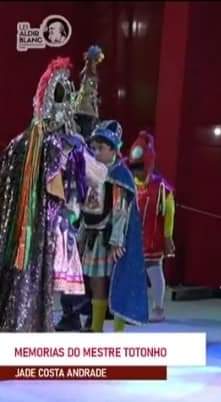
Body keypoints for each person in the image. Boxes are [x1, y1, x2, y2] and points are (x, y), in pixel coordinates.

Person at [0, 57, 104, 331]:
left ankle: (19, 321)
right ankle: (32, 323)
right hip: (45, 226)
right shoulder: (60, 144)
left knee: (21, 274)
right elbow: (87, 178)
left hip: (20, 233)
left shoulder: (18, 143)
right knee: (38, 273)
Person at [79, 120, 147, 331]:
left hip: (111, 240)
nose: (96, 152)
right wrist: (81, 234)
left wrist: (117, 240)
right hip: (94, 237)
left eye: (100, 148)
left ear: (113, 149)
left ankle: (118, 331)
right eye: (94, 148)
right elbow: (87, 206)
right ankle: (96, 328)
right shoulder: (93, 171)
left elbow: (120, 211)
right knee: (96, 283)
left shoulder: (120, 175)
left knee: (119, 284)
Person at [56, 45, 104, 332]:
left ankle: (86, 313)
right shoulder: (69, 146)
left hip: (89, 220)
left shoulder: (93, 152)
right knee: (68, 264)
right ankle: (71, 313)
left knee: (85, 268)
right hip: (70, 213)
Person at [128, 131, 176, 322]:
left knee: (154, 270)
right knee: (133, 273)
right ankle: (133, 307)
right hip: (133, 237)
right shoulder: (130, 184)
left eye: (140, 168)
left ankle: (158, 307)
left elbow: (169, 212)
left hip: (153, 237)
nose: (137, 172)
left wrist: (167, 236)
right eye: (134, 168)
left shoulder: (161, 186)